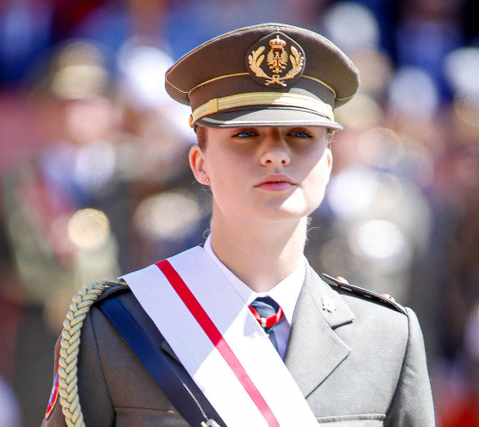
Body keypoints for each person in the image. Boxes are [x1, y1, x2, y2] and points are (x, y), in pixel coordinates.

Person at [42, 22, 435, 426]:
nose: (276, 155)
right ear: (200, 164)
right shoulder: (117, 329)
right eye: (246, 133)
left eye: (301, 133)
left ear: (328, 163)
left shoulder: (387, 338)